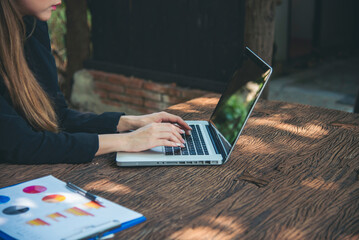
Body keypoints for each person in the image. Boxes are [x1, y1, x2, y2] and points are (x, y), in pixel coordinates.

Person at [0, 0, 191, 164]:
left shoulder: (32, 26)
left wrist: (130, 122)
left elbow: (56, 114)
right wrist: (128, 141)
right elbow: (22, 144)